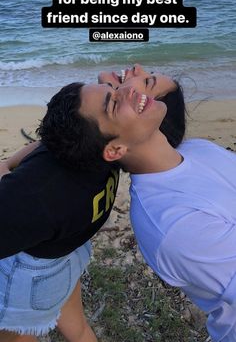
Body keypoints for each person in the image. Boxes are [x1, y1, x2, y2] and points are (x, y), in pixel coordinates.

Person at [0, 65, 182, 342]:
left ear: (114, 150)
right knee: (79, 329)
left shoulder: (38, 193)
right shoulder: (105, 154)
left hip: (32, 280)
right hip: (67, 256)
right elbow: (45, 144)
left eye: (111, 99)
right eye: (113, 92)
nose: (126, 89)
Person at [59, 80, 236, 342]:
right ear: (116, 149)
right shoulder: (172, 225)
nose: (129, 89)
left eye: (113, 88)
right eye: (114, 103)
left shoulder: (196, 149)